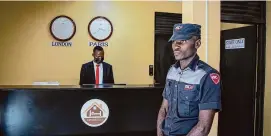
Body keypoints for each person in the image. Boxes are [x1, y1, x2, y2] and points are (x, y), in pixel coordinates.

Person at [157, 23, 222, 136]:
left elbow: (203, 127)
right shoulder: (172, 71)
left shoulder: (208, 76)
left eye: (182, 41)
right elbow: (164, 109)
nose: (176, 46)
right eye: (174, 41)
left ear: (197, 44)